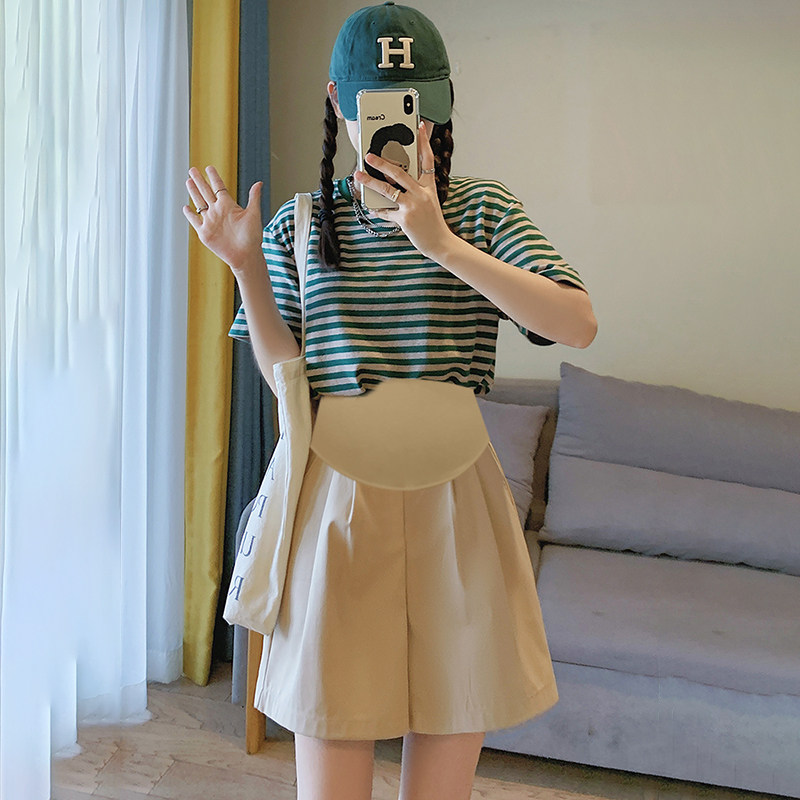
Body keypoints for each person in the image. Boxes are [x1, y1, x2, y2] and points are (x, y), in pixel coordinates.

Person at [183, 3, 597, 799]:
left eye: (414, 105)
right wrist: (245, 266)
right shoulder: (301, 221)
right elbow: (286, 376)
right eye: (376, 106)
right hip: (336, 505)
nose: (398, 130)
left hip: (459, 503)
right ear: (338, 102)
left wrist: (441, 244)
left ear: (441, 103)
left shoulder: (480, 210)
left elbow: (575, 323)